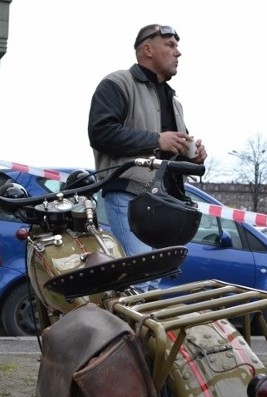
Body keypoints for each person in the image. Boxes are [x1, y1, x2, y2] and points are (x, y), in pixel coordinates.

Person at [87, 23, 207, 290]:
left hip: (163, 204)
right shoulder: (117, 84)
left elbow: (172, 155)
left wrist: (194, 157)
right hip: (128, 195)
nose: (178, 53)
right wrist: (156, 139)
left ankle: (135, 331)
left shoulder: (175, 102)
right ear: (147, 49)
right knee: (140, 281)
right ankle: (125, 332)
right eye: (171, 45)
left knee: (151, 283)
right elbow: (100, 132)